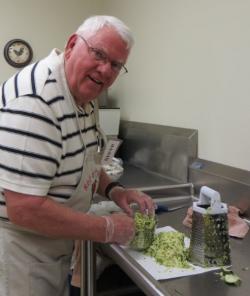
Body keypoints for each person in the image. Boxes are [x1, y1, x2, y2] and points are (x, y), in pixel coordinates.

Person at [0, 15, 155, 296]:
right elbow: (23, 209)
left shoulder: (83, 96)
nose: (105, 69)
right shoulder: (37, 101)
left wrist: (115, 191)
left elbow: (86, 161)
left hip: (50, 242)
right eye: (98, 54)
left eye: (116, 64)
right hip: (20, 251)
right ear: (72, 44)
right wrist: (106, 228)